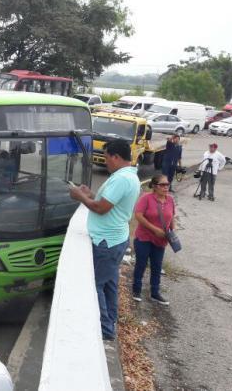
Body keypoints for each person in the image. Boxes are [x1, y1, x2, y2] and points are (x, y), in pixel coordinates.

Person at [69, 139, 140, 341]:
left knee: (96, 285)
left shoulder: (121, 179)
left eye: (107, 158)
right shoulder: (127, 176)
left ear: (116, 157)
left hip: (106, 243)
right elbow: (107, 202)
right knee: (109, 283)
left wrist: (79, 197)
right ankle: (111, 321)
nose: (105, 161)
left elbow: (101, 208)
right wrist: (90, 194)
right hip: (114, 239)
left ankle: (105, 329)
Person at [132, 174, 174, 305]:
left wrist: (172, 232)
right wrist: (154, 229)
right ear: (155, 186)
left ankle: (155, 293)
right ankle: (136, 290)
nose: (166, 187)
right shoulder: (146, 198)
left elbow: (172, 217)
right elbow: (138, 216)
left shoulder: (170, 200)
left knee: (157, 266)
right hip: (144, 238)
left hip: (161, 240)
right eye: (162, 185)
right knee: (141, 264)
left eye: (167, 184)